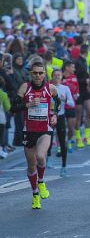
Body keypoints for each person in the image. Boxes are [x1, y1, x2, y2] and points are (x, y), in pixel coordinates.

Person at [12, 62, 60, 209]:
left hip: (45, 129)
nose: (38, 76)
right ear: (30, 74)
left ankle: (42, 182)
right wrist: (28, 104)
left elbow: (57, 103)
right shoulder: (25, 88)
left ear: (45, 74)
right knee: (31, 165)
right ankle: (35, 195)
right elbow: (13, 107)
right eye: (35, 73)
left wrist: (55, 115)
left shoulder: (50, 88)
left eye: (40, 73)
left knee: (40, 156)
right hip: (29, 130)